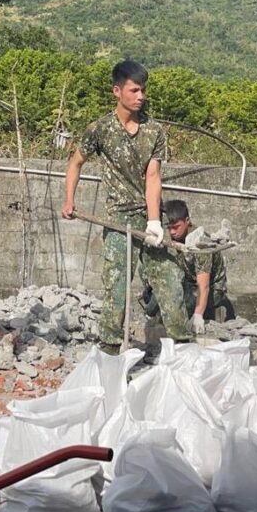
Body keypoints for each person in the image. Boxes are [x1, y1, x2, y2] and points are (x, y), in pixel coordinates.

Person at [61, 59, 189, 350]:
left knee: (168, 279)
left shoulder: (153, 131)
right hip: (118, 219)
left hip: (147, 218)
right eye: (134, 90)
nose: (140, 96)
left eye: (142, 90)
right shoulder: (101, 129)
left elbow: (153, 176)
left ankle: (182, 346)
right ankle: (109, 348)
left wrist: (155, 221)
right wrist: (69, 200)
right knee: (117, 286)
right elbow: (75, 162)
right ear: (117, 91)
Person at [164, 199, 236, 331]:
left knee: (178, 305)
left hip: (212, 288)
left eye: (176, 227)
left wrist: (198, 315)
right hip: (189, 281)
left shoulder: (200, 242)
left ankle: (212, 305)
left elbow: (204, 285)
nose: (172, 232)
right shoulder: (175, 237)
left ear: (187, 221)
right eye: (169, 228)